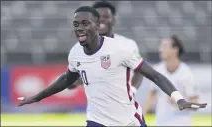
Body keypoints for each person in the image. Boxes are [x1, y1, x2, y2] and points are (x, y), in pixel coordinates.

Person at [17, 6, 207, 126]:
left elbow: (154, 75)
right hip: (97, 120)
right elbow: (66, 79)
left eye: (85, 23)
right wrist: (37, 97)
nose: (79, 27)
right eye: (76, 24)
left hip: (129, 118)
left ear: (97, 25)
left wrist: (178, 98)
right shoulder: (75, 53)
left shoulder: (120, 49)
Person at [68, 1, 143, 95]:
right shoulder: (80, 48)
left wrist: (132, 90)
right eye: (98, 17)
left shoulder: (127, 44)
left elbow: (139, 71)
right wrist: (76, 80)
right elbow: (73, 81)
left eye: (106, 17)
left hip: (124, 104)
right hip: (97, 106)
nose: (101, 20)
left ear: (113, 20)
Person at [143, 35, 200, 126]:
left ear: (175, 49)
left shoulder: (186, 74)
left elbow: (196, 104)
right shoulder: (158, 70)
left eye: (164, 46)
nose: (160, 49)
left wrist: (180, 102)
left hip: (181, 123)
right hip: (161, 123)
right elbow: (152, 95)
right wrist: (142, 117)